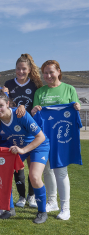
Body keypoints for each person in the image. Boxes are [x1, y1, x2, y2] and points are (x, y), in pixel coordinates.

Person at [0, 90, 49, 223]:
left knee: (34, 177)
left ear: (8, 104)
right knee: (3, 175)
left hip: (38, 146)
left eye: (1, 105)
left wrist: (23, 150)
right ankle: (10, 209)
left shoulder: (21, 115)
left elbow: (40, 137)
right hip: (18, 148)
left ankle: (42, 212)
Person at [31, 60, 81, 221]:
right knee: (46, 170)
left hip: (62, 138)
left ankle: (66, 208)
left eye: (51, 72)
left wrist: (77, 107)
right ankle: (52, 201)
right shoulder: (40, 92)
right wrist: (34, 110)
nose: (48, 76)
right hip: (43, 138)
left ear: (59, 71)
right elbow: (34, 118)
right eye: (45, 73)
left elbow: (76, 109)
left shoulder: (69, 89)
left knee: (61, 171)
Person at [4, 53, 43, 209]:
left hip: (31, 129)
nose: (20, 72)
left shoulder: (35, 85)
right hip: (14, 129)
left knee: (32, 165)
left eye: (23, 69)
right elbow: (6, 103)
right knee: (18, 165)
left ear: (29, 70)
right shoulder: (8, 83)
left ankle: (31, 196)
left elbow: (39, 103)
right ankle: (21, 196)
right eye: (18, 69)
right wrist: (16, 106)